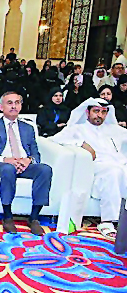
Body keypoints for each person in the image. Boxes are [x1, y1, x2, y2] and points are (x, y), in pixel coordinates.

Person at [51, 98, 127, 239]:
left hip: (118, 163)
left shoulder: (113, 129)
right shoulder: (77, 129)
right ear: (87, 112)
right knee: (113, 173)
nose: (100, 115)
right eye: (96, 111)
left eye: (104, 112)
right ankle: (107, 221)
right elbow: (54, 140)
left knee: (118, 170)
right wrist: (81, 143)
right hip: (96, 165)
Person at [0, 91, 52, 235]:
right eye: (10, 103)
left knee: (45, 170)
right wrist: (5, 159)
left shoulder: (28, 128)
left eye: (17, 103)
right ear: (1, 107)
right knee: (8, 169)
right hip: (1, 164)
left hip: (24, 164)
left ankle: (34, 218)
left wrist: (28, 160)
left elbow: (36, 153)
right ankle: (7, 216)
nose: (14, 106)